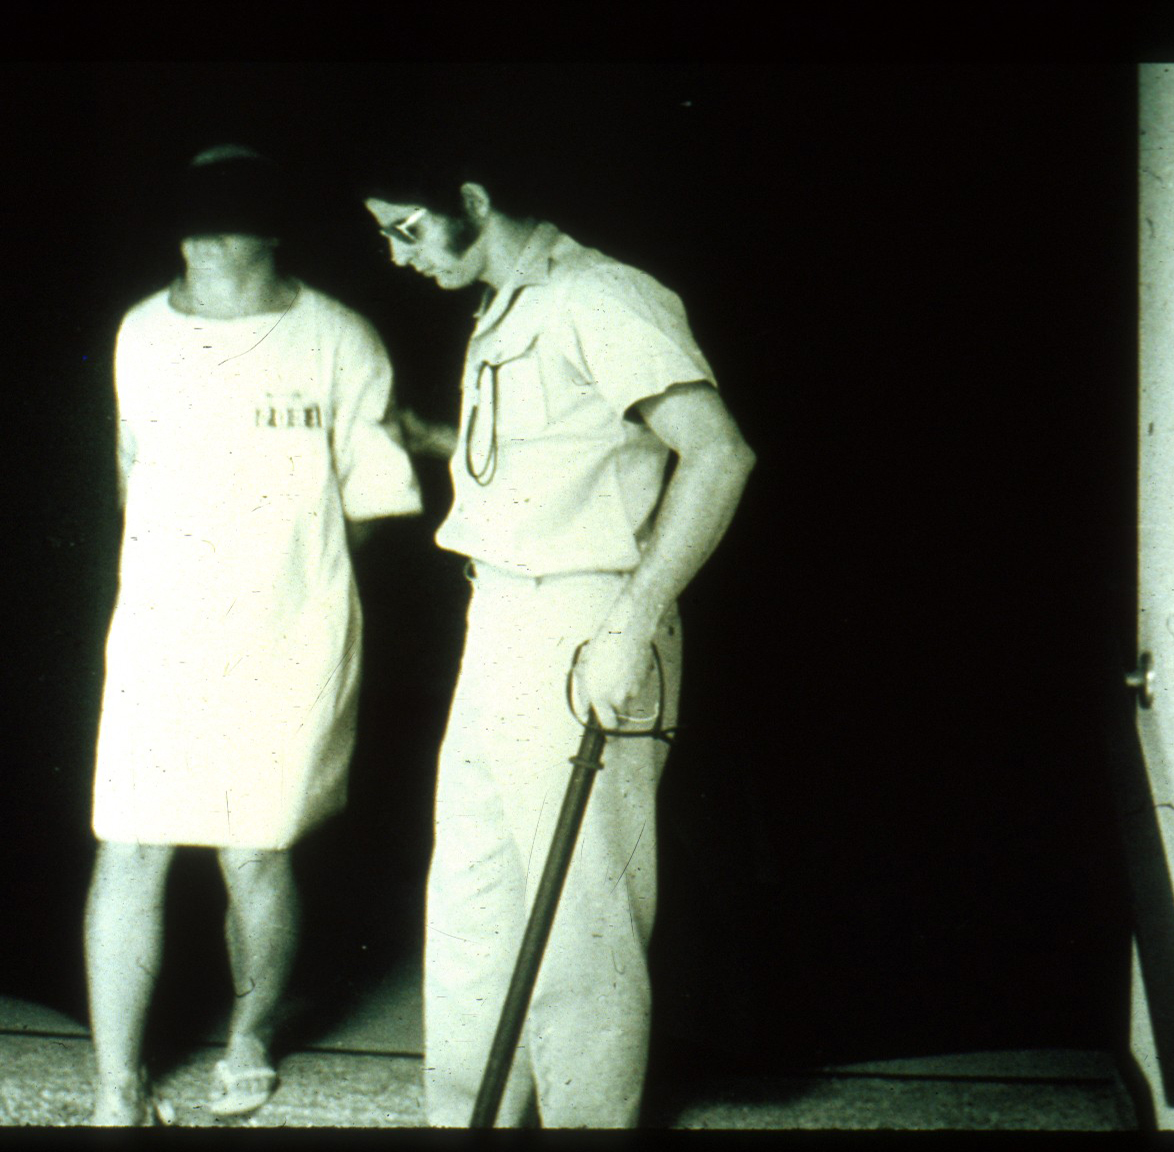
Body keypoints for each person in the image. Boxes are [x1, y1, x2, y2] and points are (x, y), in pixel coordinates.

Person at [363, 163, 756, 1127]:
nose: (396, 254)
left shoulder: (599, 295)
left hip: (585, 625)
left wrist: (627, 626)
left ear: (474, 199)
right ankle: (465, 1123)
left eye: (408, 229)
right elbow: (554, 457)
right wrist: (427, 438)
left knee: (578, 924)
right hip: (497, 616)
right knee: (473, 902)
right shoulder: (506, 306)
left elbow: (717, 453)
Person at [85, 145, 423, 1126]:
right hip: (159, 632)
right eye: (189, 220)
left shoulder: (339, 340)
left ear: (272, 228)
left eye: (226, 218)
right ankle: (116, 1087)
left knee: (254, 854)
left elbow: (365, 503)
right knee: (130, 849)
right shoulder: (139, 333)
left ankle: (250, 1036)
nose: (203, 240)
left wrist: (284, 576)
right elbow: (130, 474)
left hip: (290, 632)